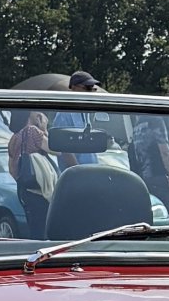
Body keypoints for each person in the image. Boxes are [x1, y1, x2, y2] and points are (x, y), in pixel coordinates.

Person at [8, 110, 55, 238]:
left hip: (26, 192)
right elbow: (55, 149)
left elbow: (12, 169)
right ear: (30, 115)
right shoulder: (33, 131)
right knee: (45, 231)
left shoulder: (14, 138)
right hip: (40, 192)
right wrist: (45, 129)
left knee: (35, 230)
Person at [128, 115, 169, 215]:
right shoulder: (156, 121)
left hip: (144, 177)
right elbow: (164, 151)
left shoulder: (137, 126)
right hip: (159, 174)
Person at [53, 69, 101, 168]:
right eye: (88, 88)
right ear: (74, 88)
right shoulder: (64, 113)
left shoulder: (85, 111)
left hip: (90, 171)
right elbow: (64, 149)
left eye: (93, 88)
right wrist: (78, 171)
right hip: (74, 175)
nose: (91, 92)